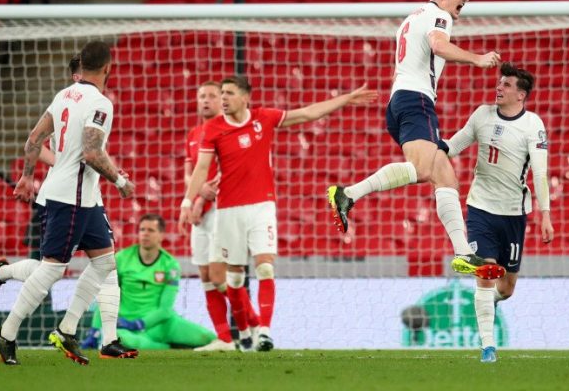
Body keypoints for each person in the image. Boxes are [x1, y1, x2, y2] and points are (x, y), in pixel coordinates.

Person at [326, 0, 504, 280]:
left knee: (445, 178)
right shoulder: (440, 16)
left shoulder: (412, 18)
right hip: (416, 100)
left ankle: (464, 253)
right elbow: (438, 44)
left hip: (401, 102)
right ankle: (348, 194)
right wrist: (477, 58)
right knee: (427, 170)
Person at [178, 76, 377, 352]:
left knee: (265, 266)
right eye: (221, 93)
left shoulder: (264, 118)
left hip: (262, 206)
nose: (223, 98)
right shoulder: (212, 129)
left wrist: (345, 98)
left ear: (245, 97)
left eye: (229, 93)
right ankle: (244, 331)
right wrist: (187, 203)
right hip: (228, 211)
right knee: (233, 278)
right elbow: (200, 169)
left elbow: (308, 113)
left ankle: (264, 332)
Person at [0, 40, 136, 366]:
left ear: (81, 65)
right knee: (52, 269)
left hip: (78, 196)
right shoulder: (100, 102)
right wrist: (121, 182)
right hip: (71, 197)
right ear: (108, 68)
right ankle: (7, 332)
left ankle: (67, 329)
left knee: (104, 262)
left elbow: (33, 139)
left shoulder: (63, 95)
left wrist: (27, 177)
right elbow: (92, 152)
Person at [444, 63, 554, 363]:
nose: (499, 87)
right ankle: (488, 347)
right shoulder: (482, 114)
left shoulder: (533, 125)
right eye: (499, 82)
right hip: (480, 207)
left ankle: (489, 301)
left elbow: (541, 172)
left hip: (514, 214)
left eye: (506, 85)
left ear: (521, 95)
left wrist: (546, 214)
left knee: (506, 287)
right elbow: (456, 144)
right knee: (485, 272)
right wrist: (435, 149)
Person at [184, 82, 259, 352]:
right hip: (200, 212)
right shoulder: (193, 134)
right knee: (205, 275)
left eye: (213, 96)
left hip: (222, 209)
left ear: (222, 100)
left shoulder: (228, 130)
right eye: (201, 95)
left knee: (219, 276)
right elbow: (190, 172)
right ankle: (224, 338)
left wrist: (202, 196)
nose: (207, 100)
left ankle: (257, 324)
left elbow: (229, 170)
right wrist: (191, 200)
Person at [82, 214, 217, 350]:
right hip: (126, 325)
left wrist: (140, 324)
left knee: (210, 338)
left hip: (162, 324)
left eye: (150, 230)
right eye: (142, 230)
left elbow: (165, 310)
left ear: (161, 235)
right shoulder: (122, 259)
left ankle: (164, 343)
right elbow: (106, 298)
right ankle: (166, 348)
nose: (145, 234)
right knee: (119, 339)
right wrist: (95, 330)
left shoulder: (170, 265)